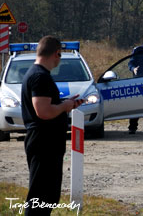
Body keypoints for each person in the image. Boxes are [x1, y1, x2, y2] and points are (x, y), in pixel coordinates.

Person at [21, 36, 84, 215]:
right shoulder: (40, 77)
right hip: (43, 142)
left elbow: (47, 106)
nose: (59, 60)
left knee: (48, 195)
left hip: (45, 142)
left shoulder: (38, 74)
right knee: (40, 195)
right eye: (60, 55)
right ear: (56, 53)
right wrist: (64, 106)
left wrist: (65, 103)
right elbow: (43, 111)